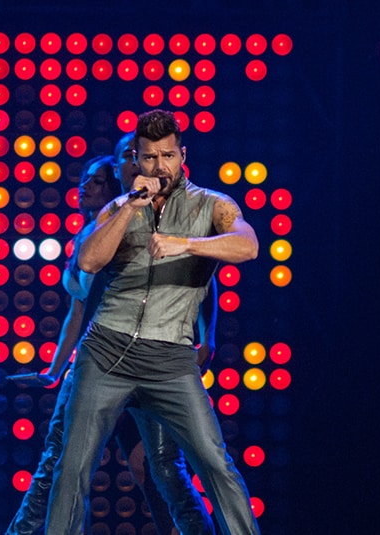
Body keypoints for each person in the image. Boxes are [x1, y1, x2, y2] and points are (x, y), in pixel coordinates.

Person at [46, 109, 261, 535]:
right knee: (72, 465)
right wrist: (130, 206)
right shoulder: (119, 206)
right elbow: (88, 260)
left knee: (214, 464)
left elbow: (248, 245)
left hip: (170, 359)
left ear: (182, 156)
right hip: (106, 352)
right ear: (136, 160)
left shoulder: (211, 204)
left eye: (167, 156)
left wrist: (187, 244)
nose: (159, 166)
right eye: (148, 157)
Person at [6, 150, 214, 534]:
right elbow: (77, 313)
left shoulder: (138, 224)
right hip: (98, 360)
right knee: (63, 462)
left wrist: (207, 337)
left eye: (97, 181)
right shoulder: (88, 237)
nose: (86, 186)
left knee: (162, 468)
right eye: (85, 179)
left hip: (141, 359)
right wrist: (55, 370)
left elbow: (199, 273)